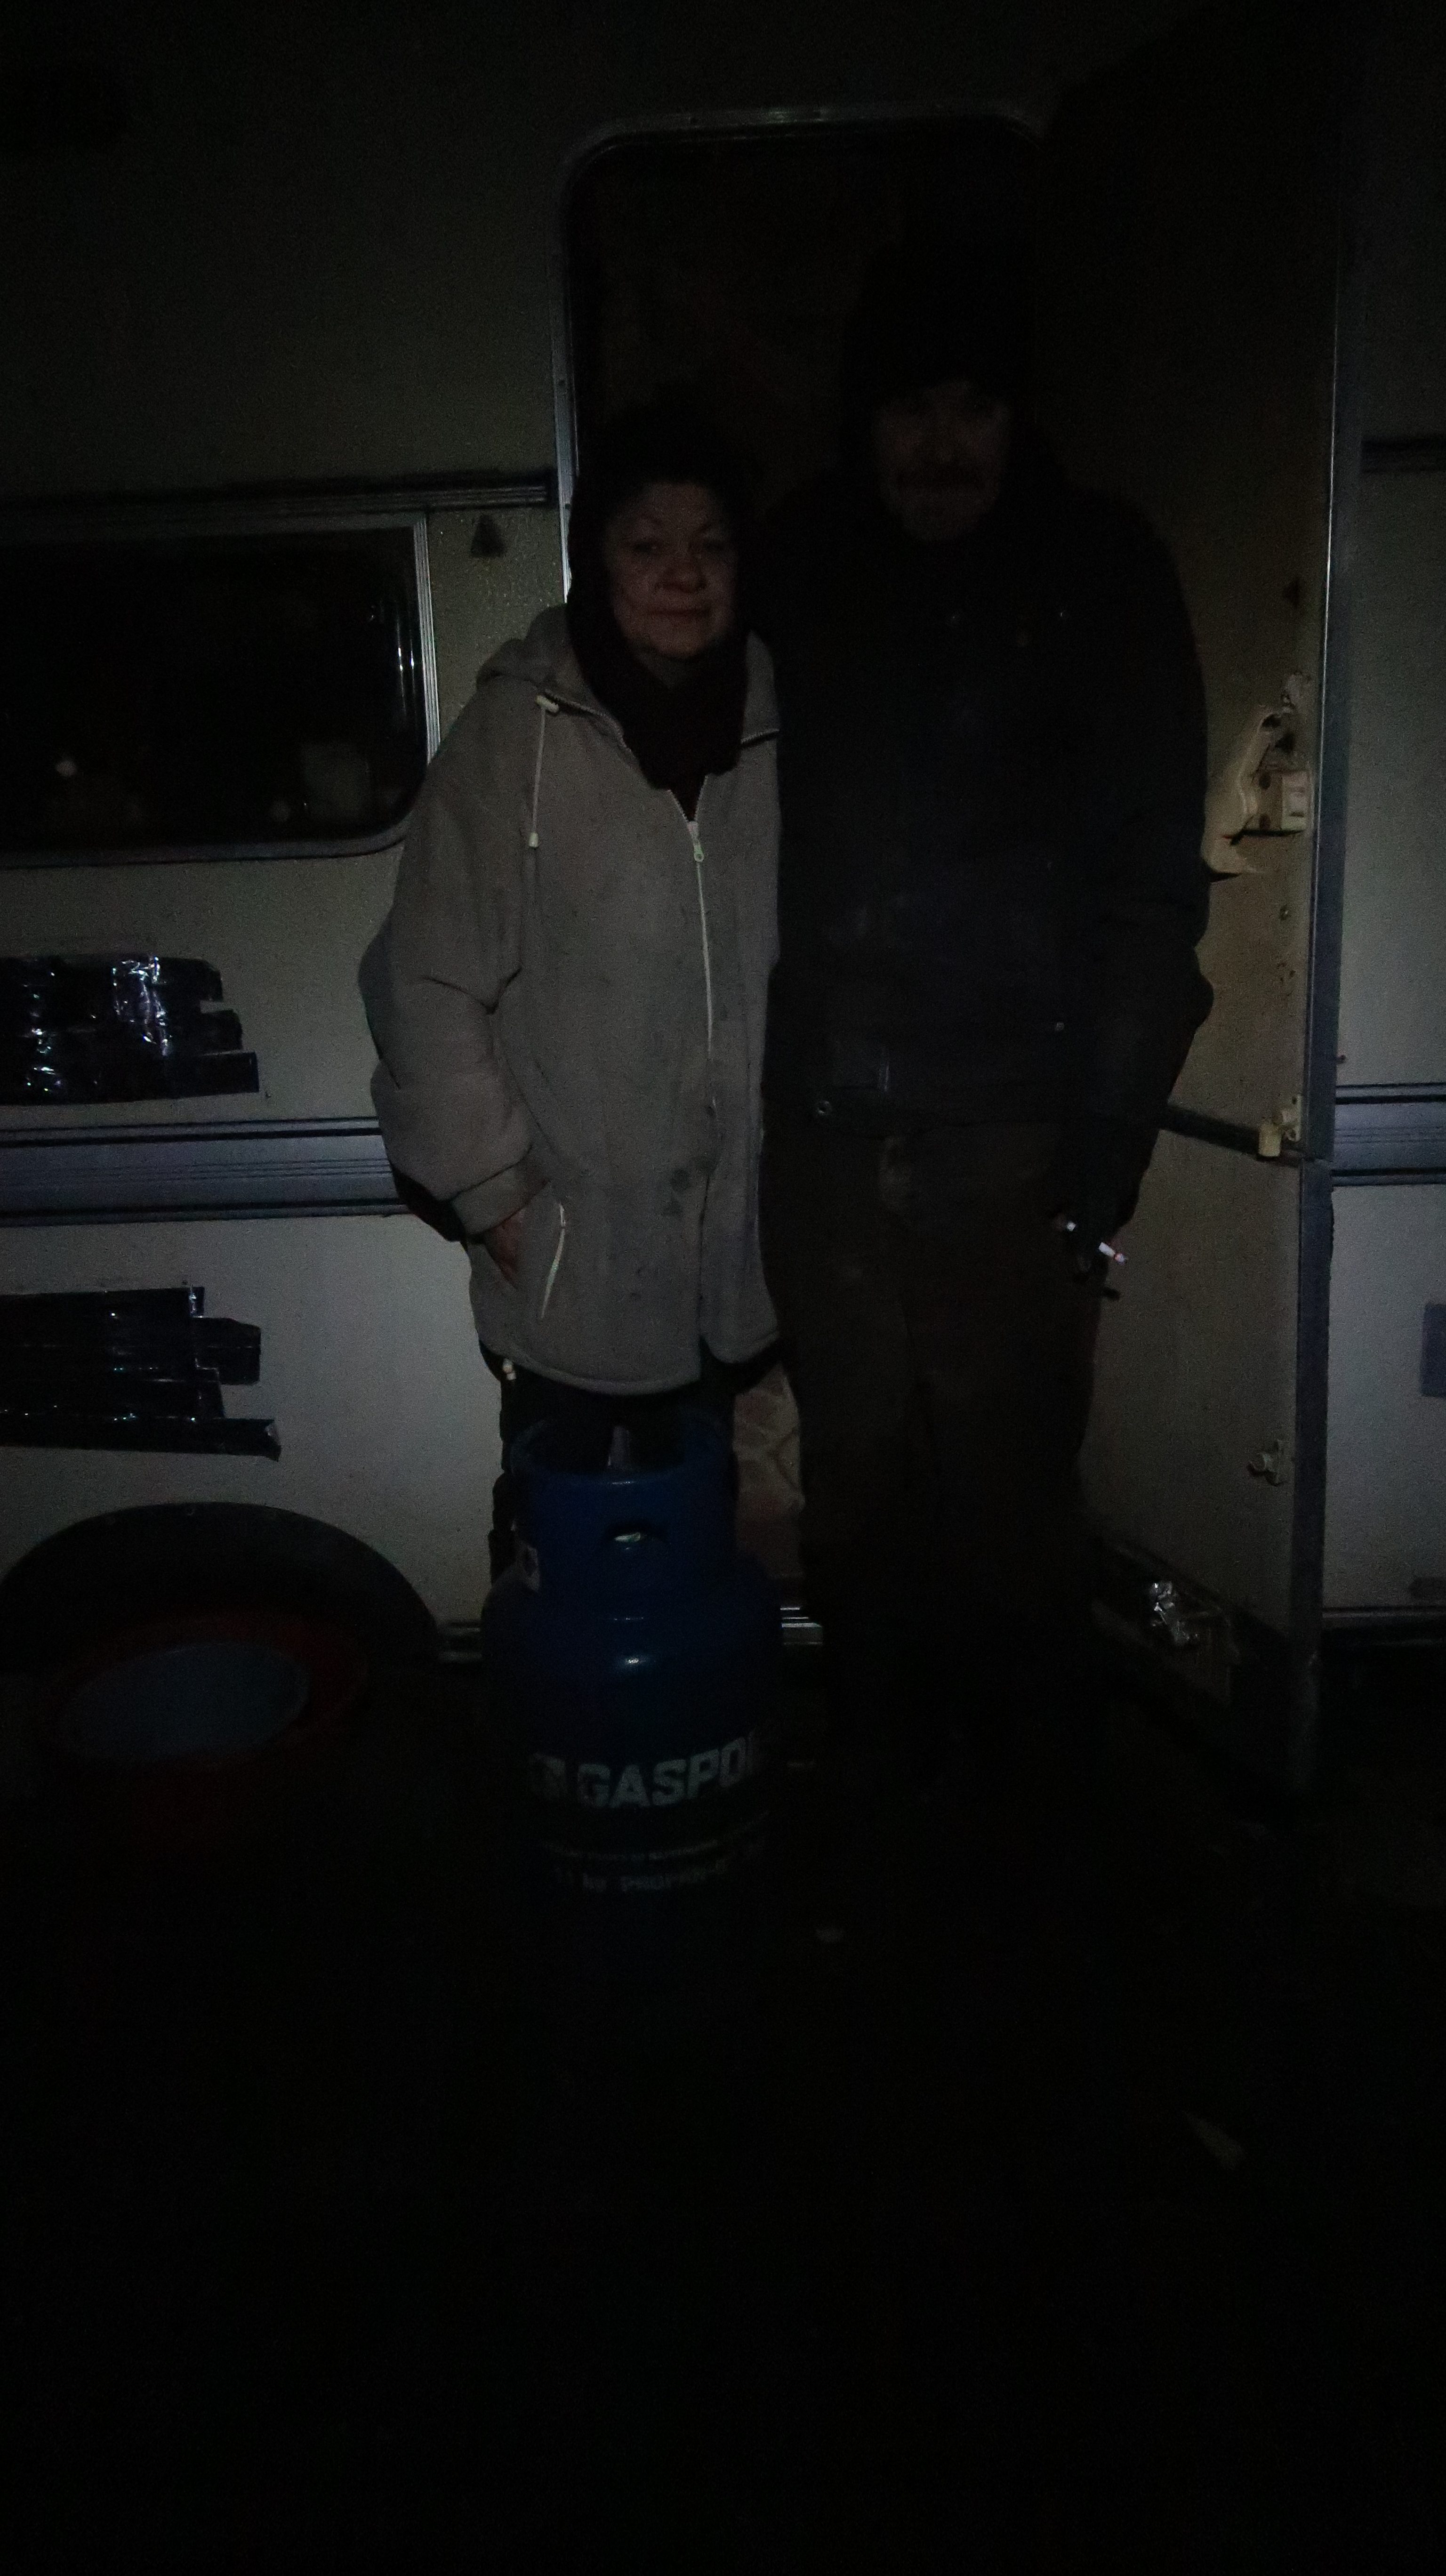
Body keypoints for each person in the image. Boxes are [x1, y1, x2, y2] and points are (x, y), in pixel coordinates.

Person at [756, 241, 1212, 1780]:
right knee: (854, 1483)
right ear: (861, 420)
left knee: (1013, 1499)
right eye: (908, 409)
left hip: (1012, 1139)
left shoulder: (1101, 569)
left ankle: (1030, 1812)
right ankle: (881, 1780)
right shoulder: (799, 562)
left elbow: (1153, 880)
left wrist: (1106, 1141)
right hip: (823, 1133)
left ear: (1020, 417)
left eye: (974, 407)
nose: (941, 445)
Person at [361, 400, 779, 1576]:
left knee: (694, 1567)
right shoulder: (519, 732)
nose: (683, 574)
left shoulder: (778, 723)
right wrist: (490, 1188)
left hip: (729, 1274)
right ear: (599, 561)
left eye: (711, 546)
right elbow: (420, 978)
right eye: (648, 545)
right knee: (567, 1574)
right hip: (569, 1273)